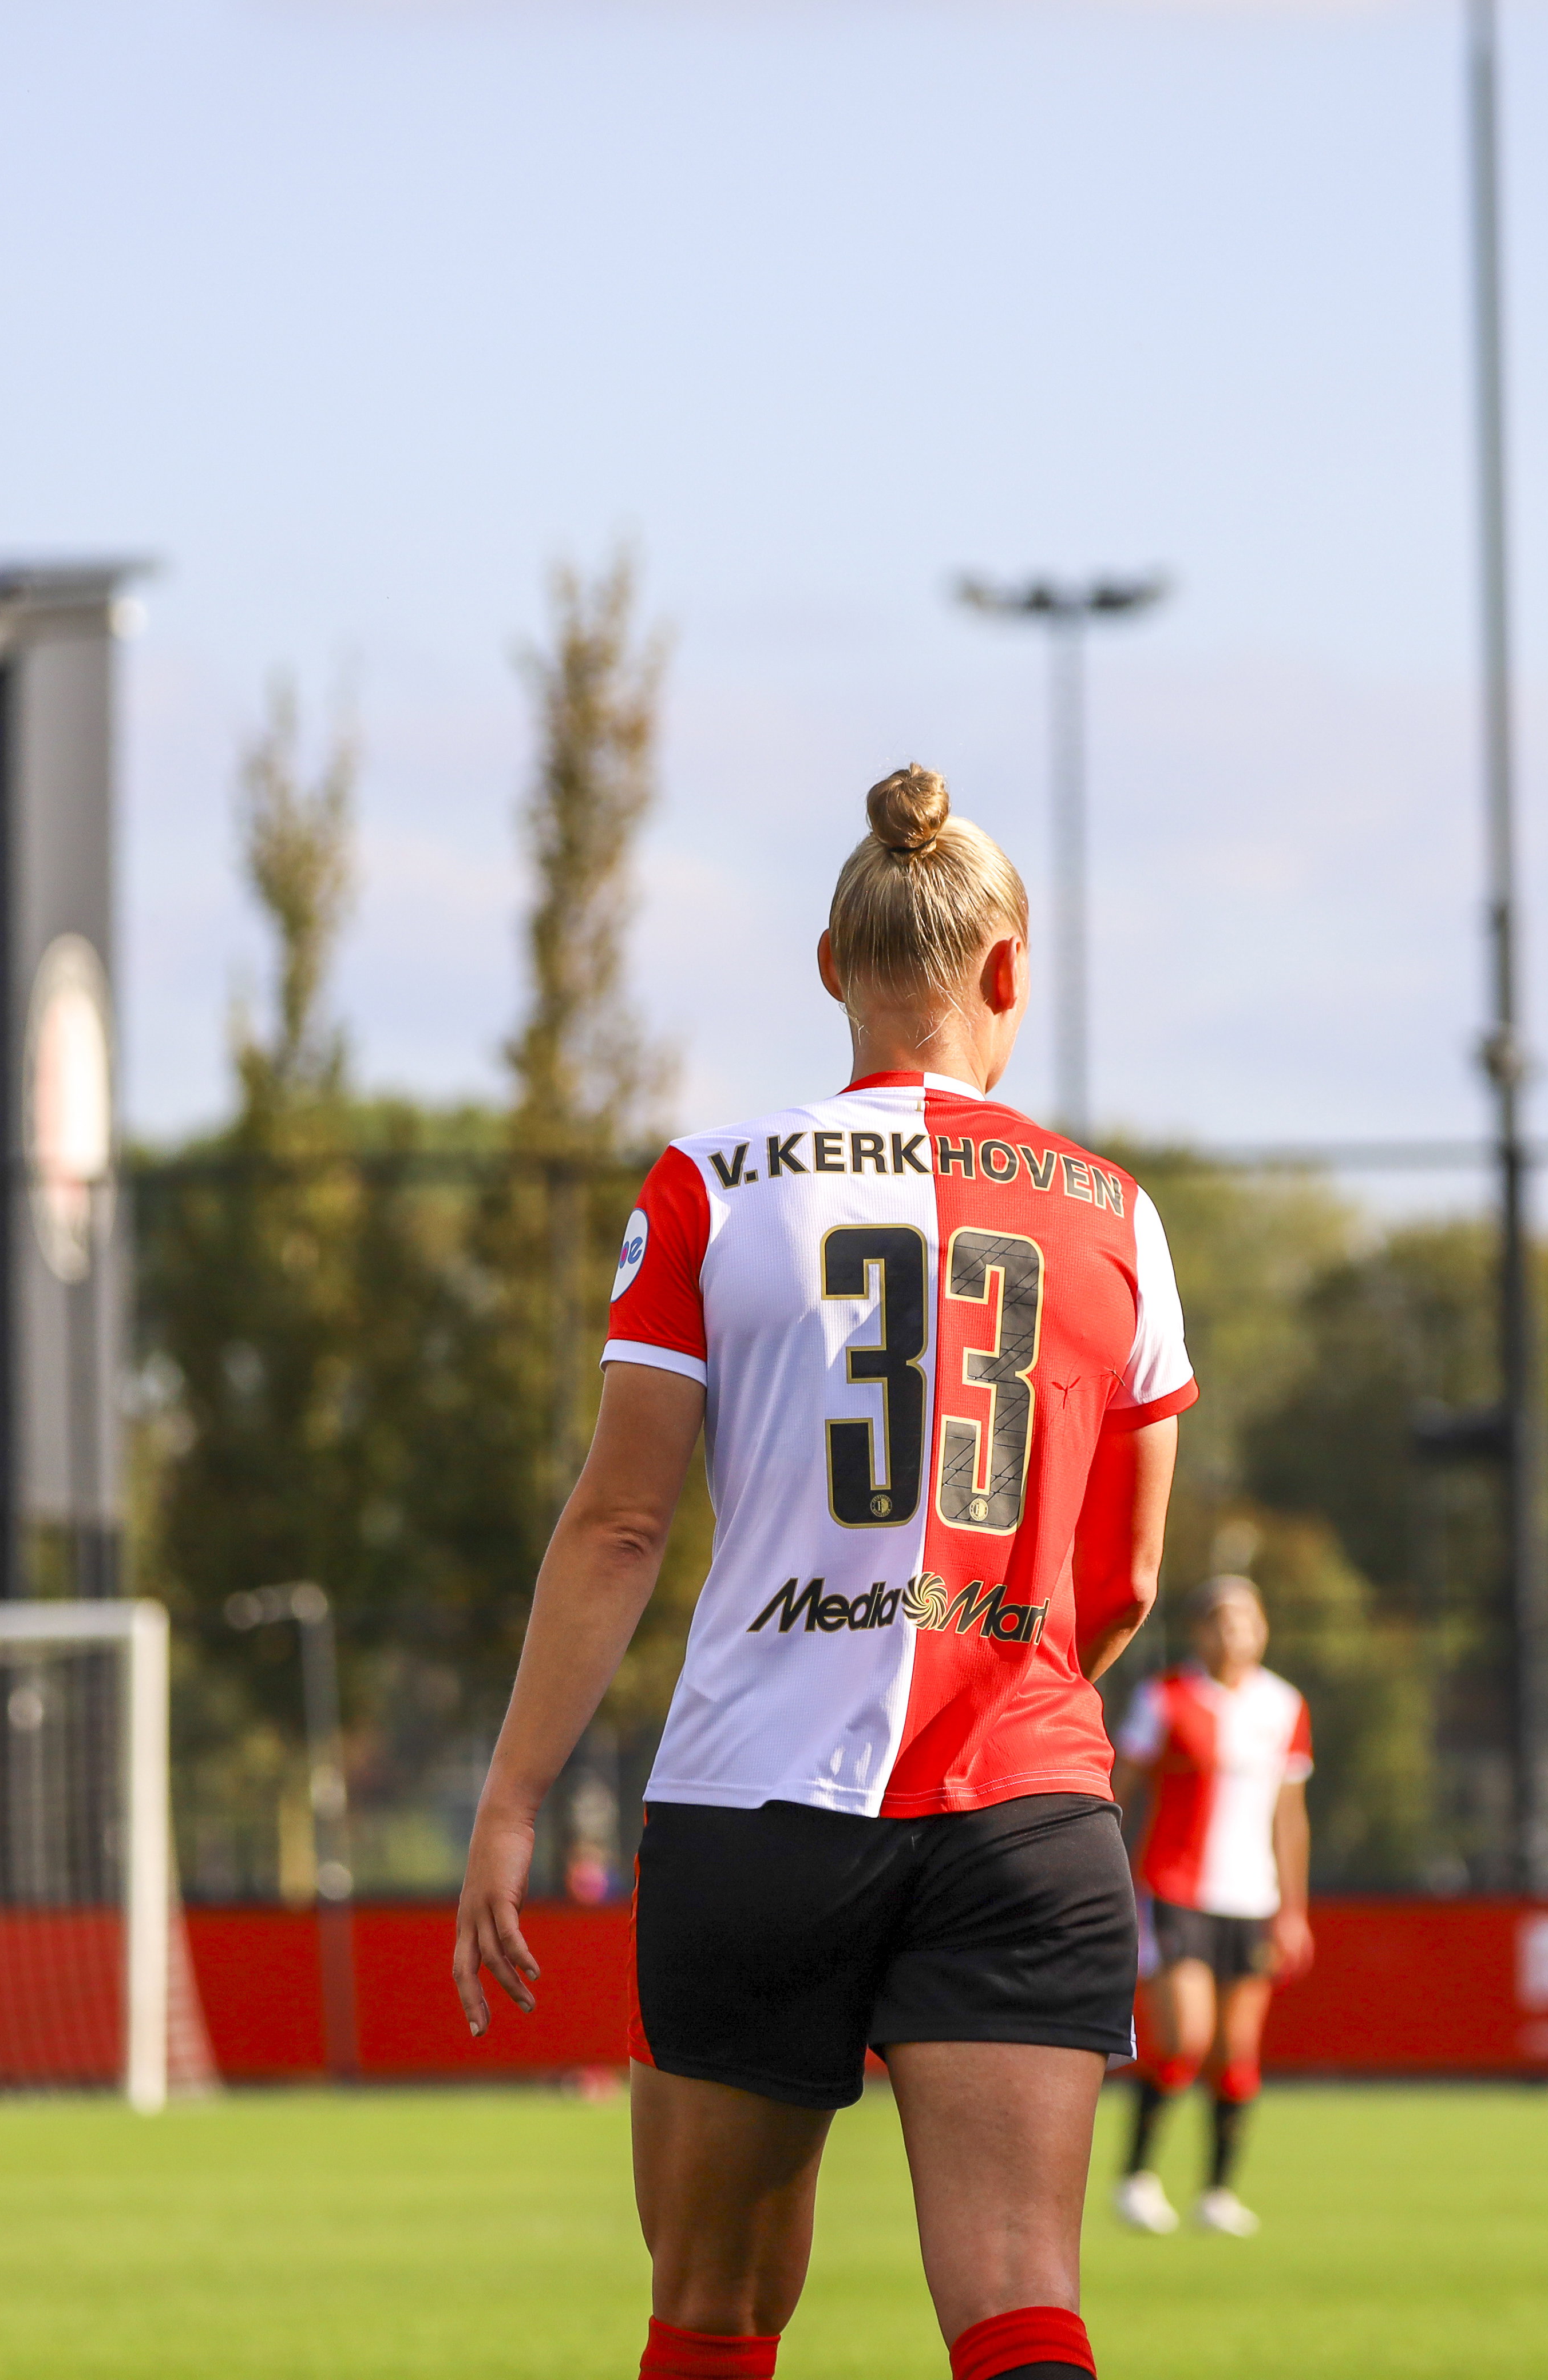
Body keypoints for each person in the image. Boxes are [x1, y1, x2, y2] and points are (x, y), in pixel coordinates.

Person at [450, 764, 1194, 2380]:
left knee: (714, 2308)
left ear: (828, 966)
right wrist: (1006, 1667)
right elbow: (1123, 1579)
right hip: (1021, 1810)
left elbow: (622, 1525)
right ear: (1007, 975)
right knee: (1017, 2297)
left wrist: (512, 1799)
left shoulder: (709, 1188)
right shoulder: (1117, 1218)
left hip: (756, 1810)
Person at [1110, 1573, 1314, 2238]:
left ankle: (1218, 2191)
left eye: (1249, 1619)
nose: (1238, 1632)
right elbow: (1122, 1787)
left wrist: (1292, 1907)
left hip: (1251, 1898)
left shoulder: (1285, 1705)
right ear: (1200, 1630)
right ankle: (1136, 2178)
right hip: (1175, 1889)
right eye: (1224, 1620)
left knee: (1238, 2050)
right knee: (1185, 2036)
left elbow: (1291, 1816)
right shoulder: (1164, 1698)